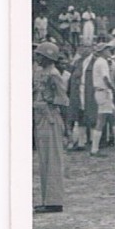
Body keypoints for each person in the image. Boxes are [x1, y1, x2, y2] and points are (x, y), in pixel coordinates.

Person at [33, 42, 69, 213]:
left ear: (48, 57)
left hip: (51, 117)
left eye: (39, 55)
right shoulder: (42, 73)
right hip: (41, 116)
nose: (36, 58)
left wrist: (48, 100)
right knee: (44, 160)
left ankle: (55, 201)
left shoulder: (54, 74)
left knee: (53, 159)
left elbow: (63, 99)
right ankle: (47, 199)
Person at [88, 43, 115, 156]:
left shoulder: (100, 61)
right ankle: (94, 149)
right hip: (103, 92)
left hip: (103, 92)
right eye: (107, 49)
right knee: (102, 120)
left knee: (114, 118)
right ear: (102, 51)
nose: (109, 51)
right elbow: (105, 78)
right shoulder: (102, 62)